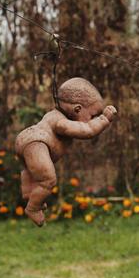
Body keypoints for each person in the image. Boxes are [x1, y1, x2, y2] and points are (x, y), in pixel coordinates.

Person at [15, 78, 117, 226]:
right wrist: (103, 119)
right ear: (77, 109)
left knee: (30, 170)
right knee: (48, 181)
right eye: (92, 116)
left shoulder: (52, 115)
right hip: (37, 143)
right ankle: (33, 208)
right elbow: (87, 131)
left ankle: (30, 195)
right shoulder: (61, 123)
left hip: (25, 139)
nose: (92, 120)